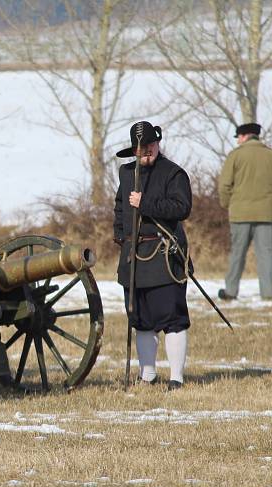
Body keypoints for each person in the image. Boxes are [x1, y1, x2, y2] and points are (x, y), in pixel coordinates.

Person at [113, 121, 192, 391]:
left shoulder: (173, 174)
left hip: (163, 255)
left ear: (157, 144)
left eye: (149, 146)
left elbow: (182, 208)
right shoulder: (126, 173)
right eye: (140, 148)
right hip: (134, 256)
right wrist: (121, 237)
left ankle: (176, 378)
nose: (145, 152)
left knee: (172, 319)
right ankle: (147, 375)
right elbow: (120, 206)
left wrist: (146, 203)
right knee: (141, 320)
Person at [217, 122, 272, 301]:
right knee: (266, 254)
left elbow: (224, 185)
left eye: (238, 137)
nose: (238, 141)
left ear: (245, 136)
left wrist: (228, 205)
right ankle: (269, 293)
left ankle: (231, 291)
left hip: (240, 214)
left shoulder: (236, 156)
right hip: (265, 213)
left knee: (237, 254)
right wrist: (271, 204)